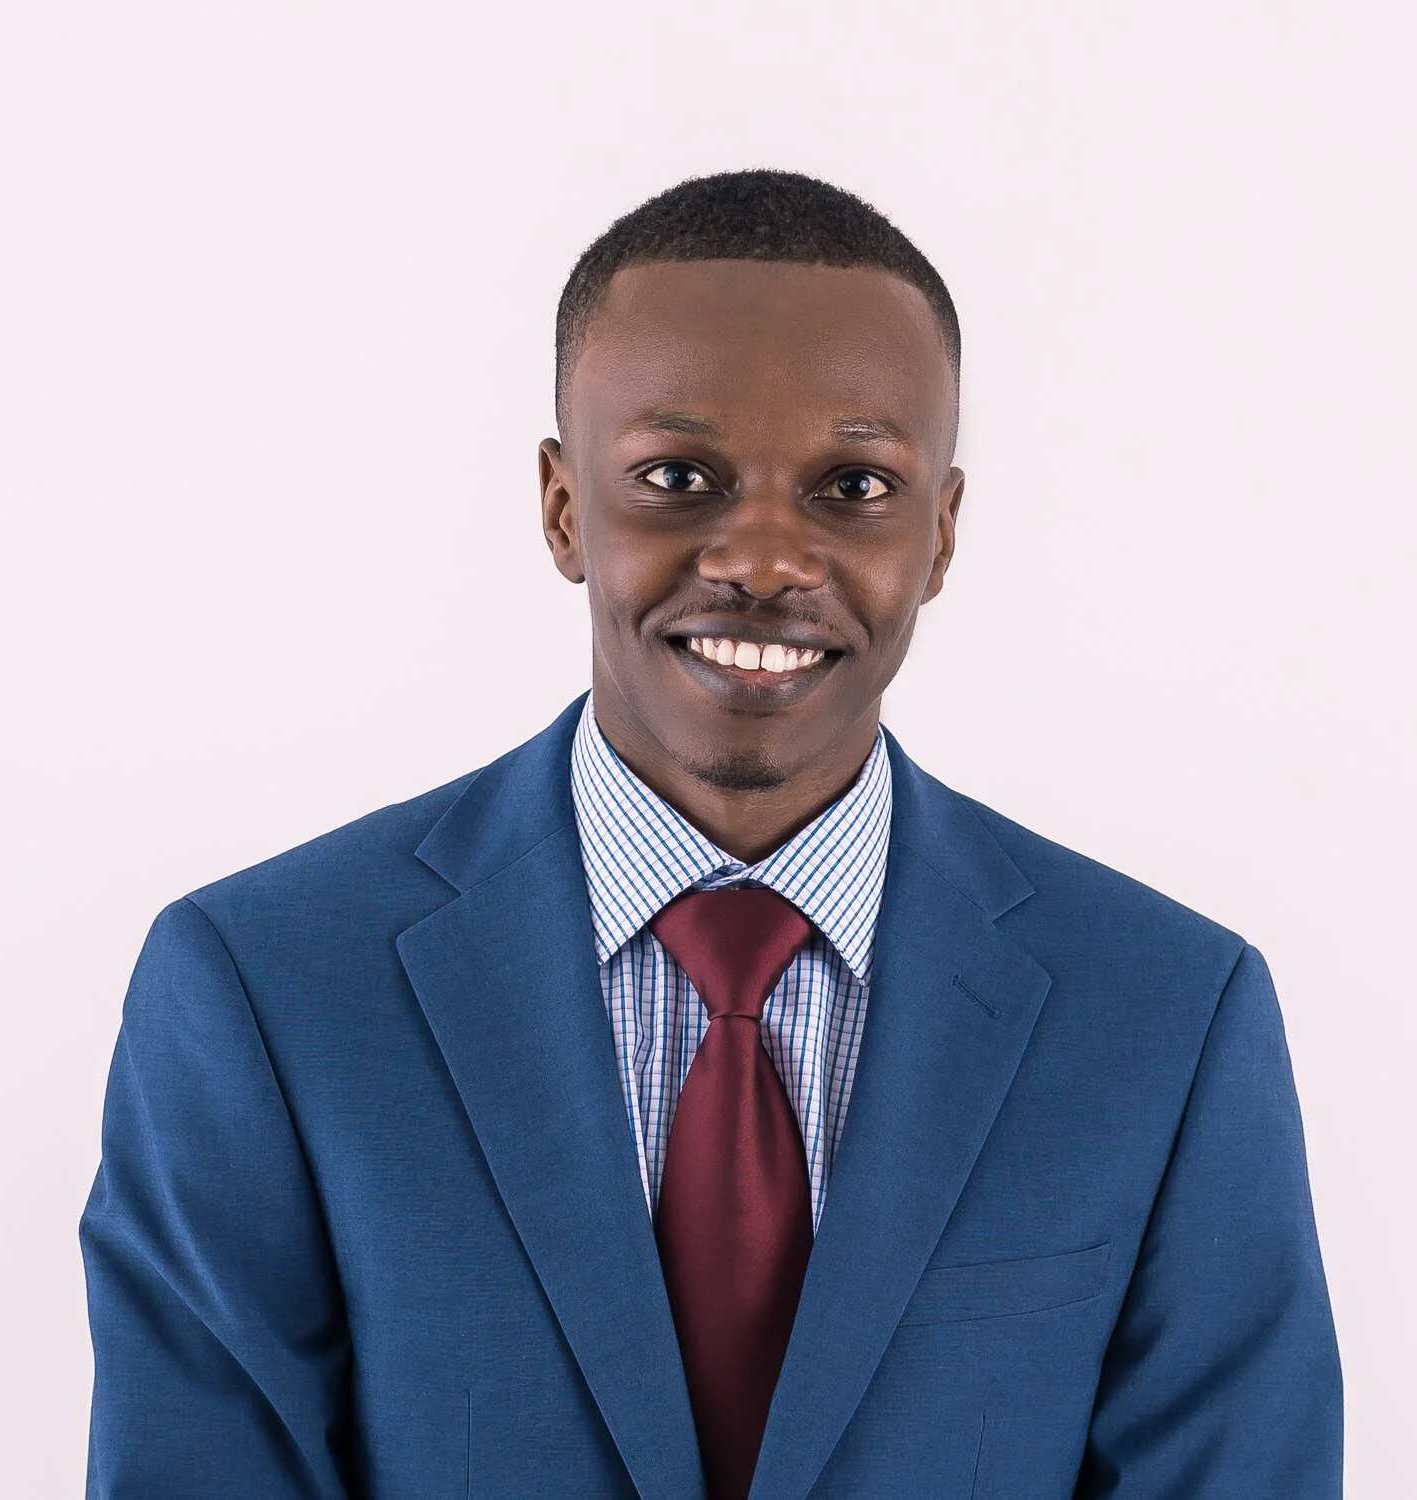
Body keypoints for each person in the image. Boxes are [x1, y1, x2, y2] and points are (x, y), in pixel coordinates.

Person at [78, 169, 1342, 1499]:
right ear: (566, 507)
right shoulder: (263, 989)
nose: (763, 557)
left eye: (853, 485)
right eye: (679, 477)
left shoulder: (1167, 1015)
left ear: (945, 534)